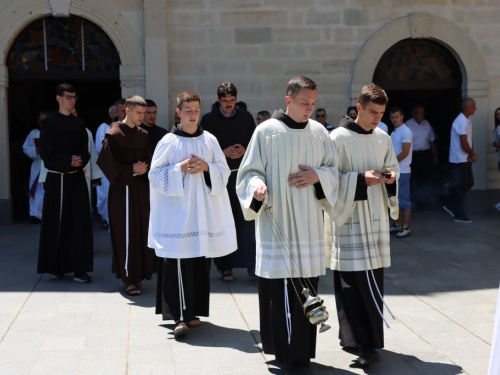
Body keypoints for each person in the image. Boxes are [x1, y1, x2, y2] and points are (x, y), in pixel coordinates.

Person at [237, 76, 338, 367]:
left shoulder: (319, 132)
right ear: (288, 100)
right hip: (276, 220)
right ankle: (286, 354)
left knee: (307, 287)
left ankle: (302, 353)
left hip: (308, 222)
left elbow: (334, 170)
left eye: (313, 103)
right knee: (281, 291)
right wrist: (256, 187)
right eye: (304, 102)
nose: (309, 108)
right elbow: (248, 172)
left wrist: (318, 176)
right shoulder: (266, 131)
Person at [149, 91, 237, 337]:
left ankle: (193, 312)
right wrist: (180, 168)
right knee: (177, 262)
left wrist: (207, 167)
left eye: (196, 110)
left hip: (201, 213)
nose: (192, 114)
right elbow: (154, 176)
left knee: (199, 260)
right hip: (176, 214)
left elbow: (224, 171)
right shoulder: (168, 142)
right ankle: (177, 316)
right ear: (178, 113)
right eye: (187, 110)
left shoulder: (209, 140)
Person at [325, 84, 399, 366]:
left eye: (381, 112)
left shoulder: (383, 137)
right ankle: (355, 339)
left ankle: (367, 341)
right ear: (358, 108)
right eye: (372, 112)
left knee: (371, 280)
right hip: (349, 218)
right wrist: (360, 180)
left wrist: (390, 177)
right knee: (350, 283)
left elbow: (393, 166)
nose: (377, 118)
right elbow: (329, 178)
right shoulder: (337, 138)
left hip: (375, 217)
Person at [97, 95, 156, 296]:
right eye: (139, 113)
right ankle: (128, 278)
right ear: (128, 111)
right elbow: (107, 164)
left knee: (141, 230)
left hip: (140, 190)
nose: (143, 117)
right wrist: (130, 169)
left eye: (145, 113)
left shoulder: (142, 134)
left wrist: (144, 168)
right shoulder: (113, 134)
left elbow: (149, 159)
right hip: (122, 192)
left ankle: (138, 274)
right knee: (125, 233)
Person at [37, 83, 93, 283]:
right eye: (68, 97)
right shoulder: (49, 124)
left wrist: (80, 160)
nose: (72, 100)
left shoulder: (79, 124)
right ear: (58, 98)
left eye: (74, 97)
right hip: (57, 178)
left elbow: (85, 150)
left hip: (76, 177)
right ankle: (55, 266)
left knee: (79, 223)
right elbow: (46, 153)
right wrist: (67, 161)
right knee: (56, 223)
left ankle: (80, 269)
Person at [200, 82, 256, 282]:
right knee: (224, 221)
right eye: (225, 101)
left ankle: (252, 266)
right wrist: (223, 153)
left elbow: (254, 142)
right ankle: (226, 267)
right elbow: (202, 148)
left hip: (243, 176)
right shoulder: (207, 120)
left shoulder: (246, 117)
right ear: (218, 100)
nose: (229, 105)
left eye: (232, 101)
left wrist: (244, 149)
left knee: (248, 222)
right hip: (221, 179)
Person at [443, 98, 477, 223]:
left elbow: (469, 140)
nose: (475, 108)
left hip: (464, 158)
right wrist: (472, 154)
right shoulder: (461, 121)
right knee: (461, 186)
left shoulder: (468, 120)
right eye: (473, 106)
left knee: (469, 183)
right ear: (466, 108)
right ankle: (458, 214)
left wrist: (470, 154)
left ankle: (450, 202)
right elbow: (463, 143)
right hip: (458, 160)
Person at [405, 106, 438, 211]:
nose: (421, 115)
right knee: (414, 180)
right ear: (413, 114)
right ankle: (414, 203)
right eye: (419, 113)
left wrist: (435, 155)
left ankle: (425, 203)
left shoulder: (426, 124)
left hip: (425, 155)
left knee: (426, 179)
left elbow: (431, 140)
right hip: (413, 156)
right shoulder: (407, 125)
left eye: (422, 113)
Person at [95, 102, 121, 228]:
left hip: (120, 167)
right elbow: (100, 147)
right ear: (111, 114)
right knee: (105, 194)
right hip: (107, 167)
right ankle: (105, 218)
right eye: (116, 112)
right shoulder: (103, 127)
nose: (118, 114)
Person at [389, 107, 413, 238]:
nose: (394, 119)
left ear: (402, 117)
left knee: (404, 200)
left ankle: (406, 226)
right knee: (396, 200)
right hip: (395, 170)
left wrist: (392, 163)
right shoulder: (395, 132)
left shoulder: (406, 131)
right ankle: (398, 224)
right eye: (392, 117)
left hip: (403, 171)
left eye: (396, 117)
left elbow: (405, 152)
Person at [23, 111, 49, 222]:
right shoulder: (33, 133)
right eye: (40, 120)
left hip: (49, 165)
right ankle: (35, 214)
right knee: (36, 190)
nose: (42, 123)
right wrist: (35, 150)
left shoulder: (55, 132)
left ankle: (48, 214)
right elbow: (25, 147)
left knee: (47, 191)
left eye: (45, 120)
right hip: (37, 164)